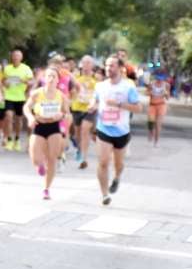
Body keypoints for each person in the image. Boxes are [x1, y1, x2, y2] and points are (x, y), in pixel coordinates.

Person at [89, 57, 143, 206]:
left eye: (111, 65)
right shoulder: (100, 86)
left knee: (118, 164)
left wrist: (119, 104)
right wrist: (92, 106)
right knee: (103, 162)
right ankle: (104, 194)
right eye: (106, 65)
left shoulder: (128, 87)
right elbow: (95, 100)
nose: (108, 68)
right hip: (104, 128)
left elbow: (138, 108)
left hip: (122, 131)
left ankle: (117, 177)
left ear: (120, 68)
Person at [24, 67, 70, 200]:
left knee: (52, 159)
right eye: (48, 76)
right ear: (44, 78)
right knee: (36, 159)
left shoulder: (61, 96)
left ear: (58, 80)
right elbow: (27, 107)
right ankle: (40, 165)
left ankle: (46, 188)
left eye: (53, 76)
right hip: (39, 126)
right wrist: (31, 118)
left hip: (54, 127)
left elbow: (67, 113)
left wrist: (61, 115)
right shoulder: (37, 93)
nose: (50, 79)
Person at [1, 49, 33, 151]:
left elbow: (31, 82)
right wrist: (6, 84)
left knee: (19, 119)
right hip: (9, 96)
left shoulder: (26, 68)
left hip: (21, 97)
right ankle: (9, 140)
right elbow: (3, 81)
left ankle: (17, 139)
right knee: (9, 116)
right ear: (12, 57)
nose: (16, 58)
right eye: (14, 56)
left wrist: (23, 82)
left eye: (18, 56)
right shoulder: (7, 68)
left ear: (21, 58)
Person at [70, 56, 98, 168]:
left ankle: (84, 157)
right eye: (84, 63)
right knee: (77, 134)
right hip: (77, 107)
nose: (86, 65)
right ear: (81, 64)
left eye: (89, 63)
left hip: (90, 109)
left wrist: (96, 105)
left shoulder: (97, 78)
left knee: (85, 130)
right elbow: (70, 91)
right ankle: (79, 149)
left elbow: (100, 93)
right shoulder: (75, 77)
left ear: (92, 65)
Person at [147, 69, 170, 146]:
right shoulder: (151, 84)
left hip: (161, 105)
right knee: (151, 122)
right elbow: (147, 92)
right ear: (155, 77)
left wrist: (165, 93)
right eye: (158, 78)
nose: (159, 80)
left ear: (164, 78)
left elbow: (168, 98)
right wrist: (151, 92)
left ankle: (156, 142)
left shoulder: (166, 85)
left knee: (158, 124)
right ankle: (150, 132)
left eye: (161, 78)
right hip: (152, 105)